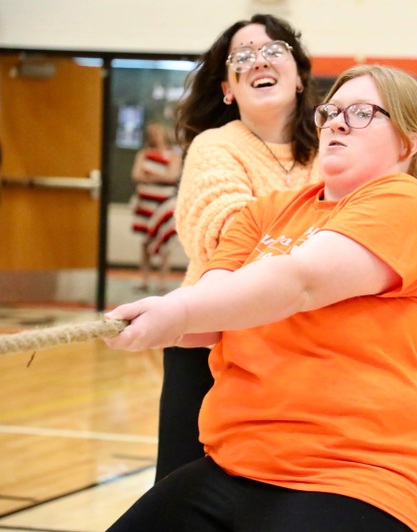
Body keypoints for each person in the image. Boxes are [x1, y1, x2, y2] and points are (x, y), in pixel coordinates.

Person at [104, 64, 417, 532]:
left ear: (409, 142)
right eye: (331, 111)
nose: (336, 122)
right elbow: (210, 316)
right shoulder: (266, 212)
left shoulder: (405, 202)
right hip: (238, 465)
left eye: (361, 113)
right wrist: (155, 321)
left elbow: (302, 281)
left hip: (362, 476)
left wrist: (178, 308)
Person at [156, 15, 320, 481]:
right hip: (211, 343)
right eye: (241, 57)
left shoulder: (335, 149)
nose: (257, 61)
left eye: (273, 50)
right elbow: (231, 238)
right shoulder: (214, 146)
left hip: (304, 348)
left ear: (300, 76)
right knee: (185, 487)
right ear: (228, 88)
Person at [130, 122, 182, 294]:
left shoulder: (174, 155)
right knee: (145, 243)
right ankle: (144, 280)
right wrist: (160, 175)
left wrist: (151, 175)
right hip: (145, 203)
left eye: (157, 132)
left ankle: (162, 282)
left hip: (164, 203)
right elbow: (136, 175)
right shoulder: (144, 153)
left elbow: (172, 176)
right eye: (151, 133)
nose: (155, 136)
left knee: (165, 243)